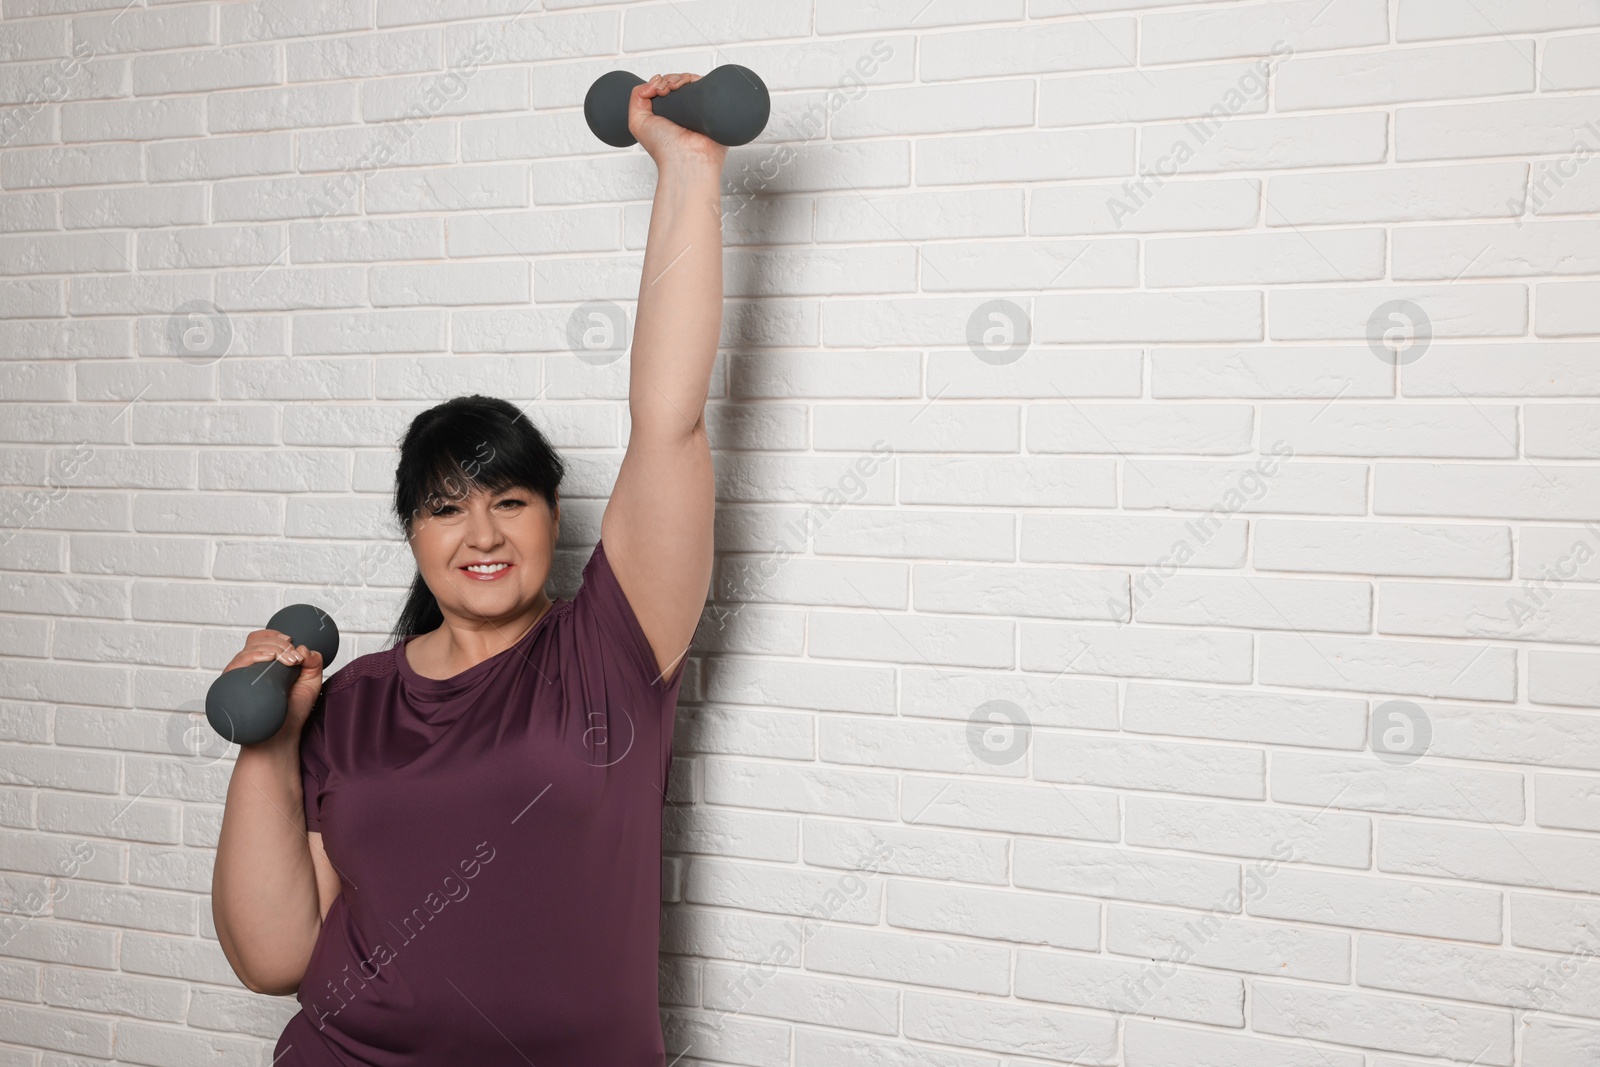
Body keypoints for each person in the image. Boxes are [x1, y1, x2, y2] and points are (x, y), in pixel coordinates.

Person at [209, 72, 725, 1065]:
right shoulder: (351, 700)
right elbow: (274, 954)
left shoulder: (611, 650)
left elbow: (670, 418)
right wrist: (267, 746)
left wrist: (688, 169)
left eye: (509, 499)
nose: (480, 532)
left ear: (554, 517)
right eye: (445, 507)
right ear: (411, 533)